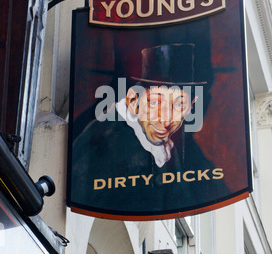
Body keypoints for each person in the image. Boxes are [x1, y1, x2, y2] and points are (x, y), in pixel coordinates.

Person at [69, 44, 228, 218]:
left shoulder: (172, 151)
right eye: (155, 103)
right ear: (133, 100)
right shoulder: (102, 141)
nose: (166, 119)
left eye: (179, 104)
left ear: (191, 106)